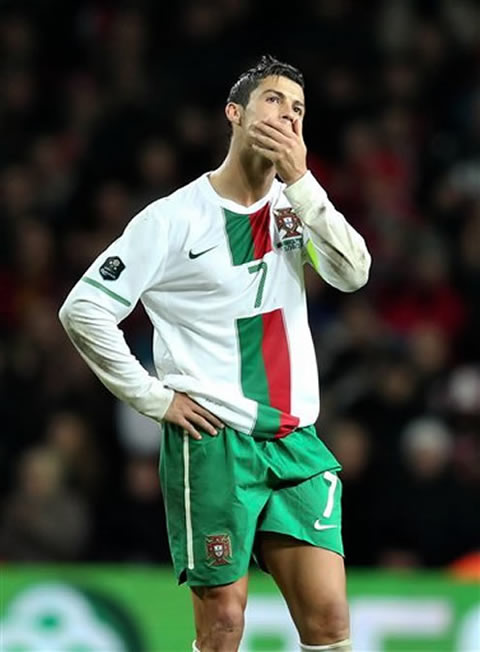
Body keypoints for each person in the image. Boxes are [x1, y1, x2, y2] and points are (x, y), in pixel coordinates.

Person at [59, 55, 371, 652]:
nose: (288, 115)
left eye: (299, 108)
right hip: (214, 440)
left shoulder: (293, 207)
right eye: (274, 100)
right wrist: (152, 396)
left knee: (330, 620)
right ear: (235, 113)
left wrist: (304, 184)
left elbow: (353, 274)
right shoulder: (173, 219)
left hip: (293, 436)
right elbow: (83, 309)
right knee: (224, 624)